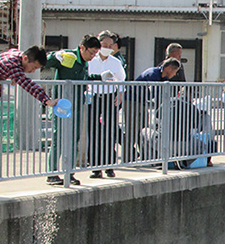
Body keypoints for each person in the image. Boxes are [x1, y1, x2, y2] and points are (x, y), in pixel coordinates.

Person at [44, 34, 103, 186]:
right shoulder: (68, 56)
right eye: (91, 52)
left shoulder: (84, 63)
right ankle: (52, 174)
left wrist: (99, 77)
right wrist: (55, 55)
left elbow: (83, 80)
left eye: (95, 54)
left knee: (74, 139)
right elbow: (47, 61)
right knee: (59, 138)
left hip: (76, 105)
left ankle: (69, 173)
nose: (92, 56)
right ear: (82, 48)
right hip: (61, 105)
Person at [86, 30, 127, 178]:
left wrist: (120, 94)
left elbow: (121, 79)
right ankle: (96, 167)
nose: (107, 47)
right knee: (94, 132)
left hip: (110, 97)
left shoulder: (115, 62)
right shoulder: (91, 59)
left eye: (110, 45)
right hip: (94, 97)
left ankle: (109, 165)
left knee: (110, 132)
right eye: (104, 44)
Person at [126, 58, 181, 161]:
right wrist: (160, 111)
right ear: (168, 68)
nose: (174, 74)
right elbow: (157, 93)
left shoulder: (164, 78)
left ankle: (145, 156)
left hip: (142, 102)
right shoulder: (153, 74)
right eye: (174, 71)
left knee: (143, 129)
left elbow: (165, 94)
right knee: (132, 129)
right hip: (131, 99)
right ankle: (127, 158)